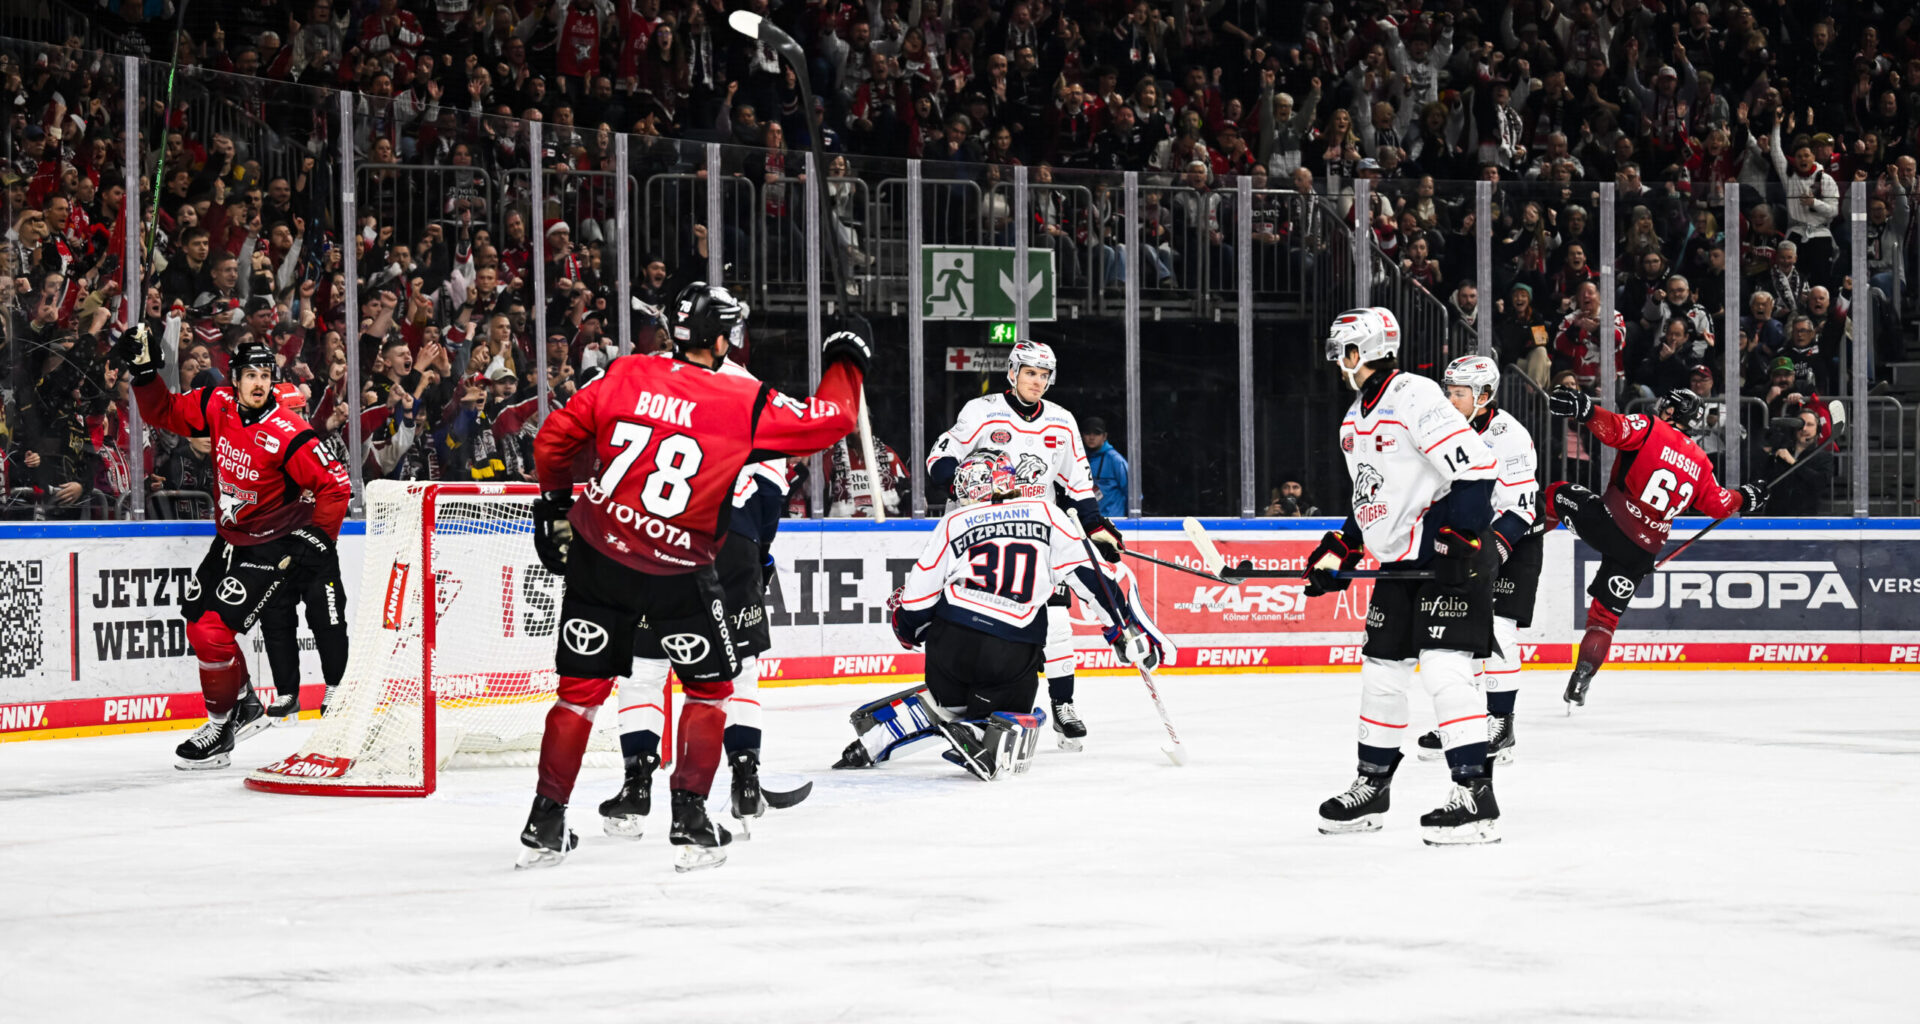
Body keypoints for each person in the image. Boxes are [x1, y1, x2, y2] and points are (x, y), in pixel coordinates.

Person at [517, 282, 869, 871]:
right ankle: (690, 821)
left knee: (580, 696)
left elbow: (555, 438)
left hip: (599, 551)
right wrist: (846, 359)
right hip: (678, 566)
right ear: (725, 339)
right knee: (709, 689)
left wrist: (553, 503)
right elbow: (830, 422)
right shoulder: (742, 398)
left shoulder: (623, 372)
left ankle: (544, 822)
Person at [831, 451, 1162, 779]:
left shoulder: (953, 522)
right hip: (1010, 651)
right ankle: (977, 732)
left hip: (950, 647)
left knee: (947, 700)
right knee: (1013, 715)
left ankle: (876, 740)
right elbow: (1093, 579)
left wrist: (907, 629)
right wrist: (1119, 629)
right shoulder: (1047, 513)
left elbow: (917, 598)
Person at [599, 336, 810, 841]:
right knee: (740, 671)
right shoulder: (753, 391)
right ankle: (745, 782)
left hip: (654, 539)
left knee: (644, 672)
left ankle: (635, 791)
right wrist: (755, 558)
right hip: (728, 540)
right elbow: (767, 489)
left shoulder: (643, 384)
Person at [1307, 308, 1505, 846]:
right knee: (1381, 672)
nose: (1337, 361)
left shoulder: (1416, 396)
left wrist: (1458, 540)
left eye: (1341, 350)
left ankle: (1474, 797)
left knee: (1445, 672)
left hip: (1450, 558)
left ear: (1358, 352)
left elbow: (1476, 467)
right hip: (1402, 564)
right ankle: (1372, 787)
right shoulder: (1354, 420)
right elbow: (1371, 499)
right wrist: (1339, 552)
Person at [119, 328, 352, 769]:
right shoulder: (215, 404)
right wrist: (146, 373)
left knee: (213, 629)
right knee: (196, 623)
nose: (259, 383)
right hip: (229, 540)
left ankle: (221, 724)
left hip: (271, 544)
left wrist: (318, 539)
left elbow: (336, 485)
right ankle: (244, 704)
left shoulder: (288, 430)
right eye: (250, 375)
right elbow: (165, 412)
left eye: (266, 374)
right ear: (234, 379)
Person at [925, 341, 1122, 751]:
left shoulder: (1062, 421)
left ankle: (1063, 705)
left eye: (1044, 375)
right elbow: (940, 458)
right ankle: (958, 700)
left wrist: (1096, 526)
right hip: (986, 531)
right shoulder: (982, 411)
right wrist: (960, 486)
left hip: (1038, 532)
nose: (1038, 381)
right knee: (976, 618)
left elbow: (1079, 486)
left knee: (1058, 623)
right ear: (1013, 373)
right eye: (1030, 373)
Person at [1543, 386, 1766, 709]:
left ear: (1672, 412)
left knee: (1555, 493)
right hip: (1641, 551)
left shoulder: (1650, 427)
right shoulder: (1701, 462)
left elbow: (1614, 430)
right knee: (1604, 620)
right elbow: (1720, 505)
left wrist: (1587, 411)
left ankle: (1519, 541)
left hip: (1609, 522)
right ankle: (1581, 679)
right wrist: (1748, 496)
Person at [1416, 357, 1539, 766]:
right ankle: (1463, 720)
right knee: (1457, 635)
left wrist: (1491, 553)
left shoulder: (1510, 436)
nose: (1449, 400)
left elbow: (1522, 507)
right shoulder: (1443, 430)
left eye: (1459, 394)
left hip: (1514, 541)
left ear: (1484, 396)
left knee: (1498, 628)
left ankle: (1500, 724)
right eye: (1447, 391)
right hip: (1468, 541)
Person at [1081, 416, 1129, 518]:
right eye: (1088, 433)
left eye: (1097, 433)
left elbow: (1134, 496)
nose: (1092, 437)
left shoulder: (1116, 460)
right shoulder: (1079, 458)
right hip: (1089, 522)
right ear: (1082, 436)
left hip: (1115, 522)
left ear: (1104, 436)